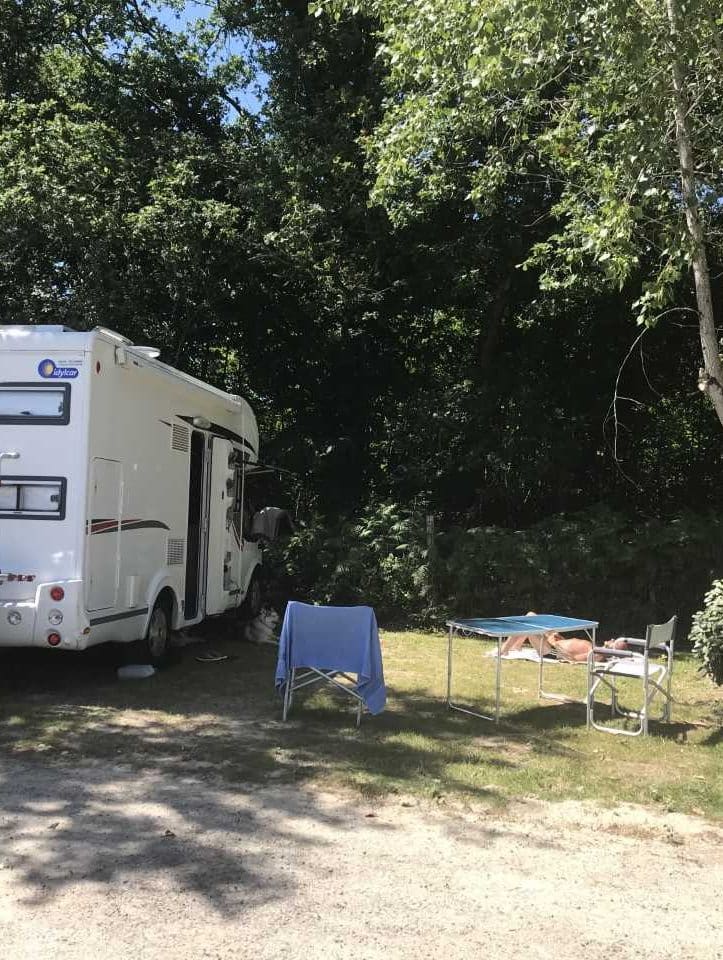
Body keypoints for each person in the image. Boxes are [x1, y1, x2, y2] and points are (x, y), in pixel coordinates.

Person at [499, 612, 628, 662]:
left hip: (551, 651)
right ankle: (515, 647)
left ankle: (503, 651)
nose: (611, 639)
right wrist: (559, 639)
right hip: (557, 642)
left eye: (614, 642)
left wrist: (555, 646)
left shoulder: (596, 655)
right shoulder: (595, 648)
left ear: (613, 649)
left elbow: (573, 658)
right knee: (532, 615)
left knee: (528, 621)